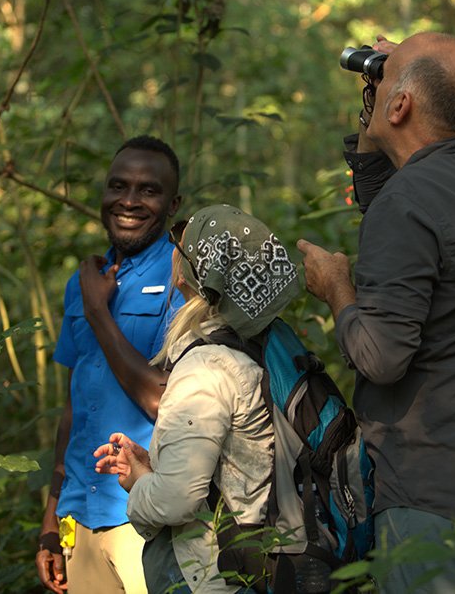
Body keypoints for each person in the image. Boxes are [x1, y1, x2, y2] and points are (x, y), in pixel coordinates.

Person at [297, 32, 455, 593]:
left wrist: (337, 288)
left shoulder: (407, 206)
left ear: (402, 105)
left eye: (384, 79)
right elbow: (384, 197)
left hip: (435, 500)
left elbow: (381, 358)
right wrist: (385, 89)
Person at [94, 204, 302, 594]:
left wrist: (139, 482)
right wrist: (157, 463)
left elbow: (176, 502)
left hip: (216, 575)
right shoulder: (267, 342)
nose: (174, 245)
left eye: (181, 242)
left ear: (189, 275)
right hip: (267, 563)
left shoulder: (206, 367)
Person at [36, 135, 184, 594]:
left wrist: (100, 313)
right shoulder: (82, 280)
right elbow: (74, 407)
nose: (129, 201)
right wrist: (52, 516)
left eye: (148, 190)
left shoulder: (184, 276)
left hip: (148, 518)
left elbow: (168, 401)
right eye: (118, 186)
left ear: (172, 204)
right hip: (81, 518)